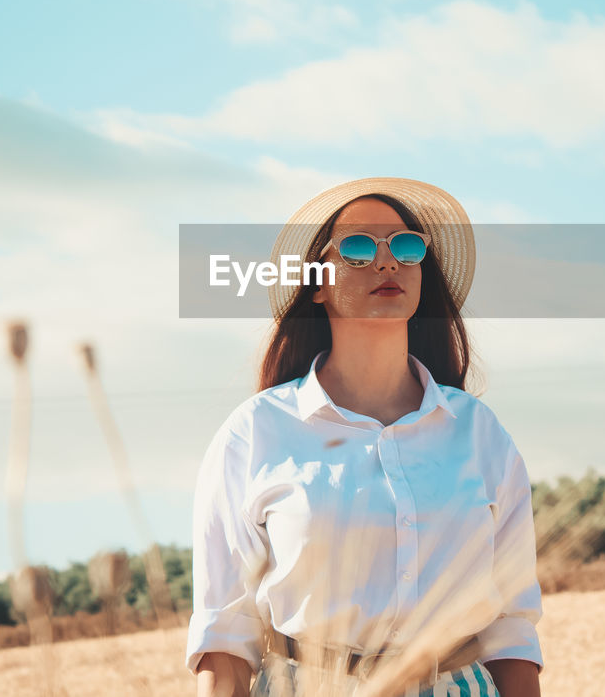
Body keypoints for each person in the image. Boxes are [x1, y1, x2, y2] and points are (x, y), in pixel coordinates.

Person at [186, 177, 544, 697]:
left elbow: (512, 627)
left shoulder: (479, 432)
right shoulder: (254, 432)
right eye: (356, 247)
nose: (386, 261)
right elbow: (225, 634)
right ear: (317, 281)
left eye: (405, 245)